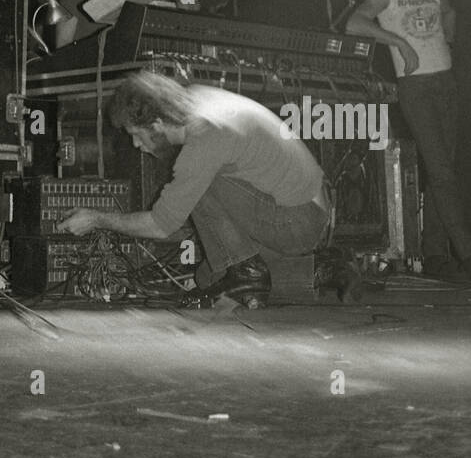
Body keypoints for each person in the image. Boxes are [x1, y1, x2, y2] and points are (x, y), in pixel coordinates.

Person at [58, 70, 332, 307]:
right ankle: (323, 270)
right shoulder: (196, 98)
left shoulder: (203, 141)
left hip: (299, 220)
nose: (136, 145)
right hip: (308, 208)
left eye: (136, 135)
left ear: (156, 125)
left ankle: (248, 274)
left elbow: (160, 225)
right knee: (209, 277)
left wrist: (98, 219)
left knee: (200, 186)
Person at [346, 0, 471, 276]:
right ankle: (466, 252)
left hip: (445, 83)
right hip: (416, 88)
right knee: (443, 172)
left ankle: (434, 254)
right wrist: (400, 42)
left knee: (444, 171)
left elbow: (450, 12)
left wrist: (448, 39)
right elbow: (354, 23)